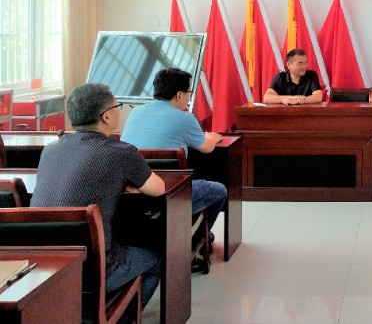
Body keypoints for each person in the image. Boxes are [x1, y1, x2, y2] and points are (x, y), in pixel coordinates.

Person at [31, 83, 165, 309]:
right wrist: (125, 183)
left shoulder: (50, 149)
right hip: (96, 271)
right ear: (106, 116)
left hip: (45, 270)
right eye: (117, 107)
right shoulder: (122, 152)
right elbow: (158, 188)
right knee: (154, 260)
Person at [121, 68, 227, 270]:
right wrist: (213, 137)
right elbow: (206, 147)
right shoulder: (184, 118)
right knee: (219, 191)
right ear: (179, 95)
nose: (188, 97)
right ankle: (195, 239)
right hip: (171, 195)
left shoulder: (136, 113)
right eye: (189, 93)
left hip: (133, 196)